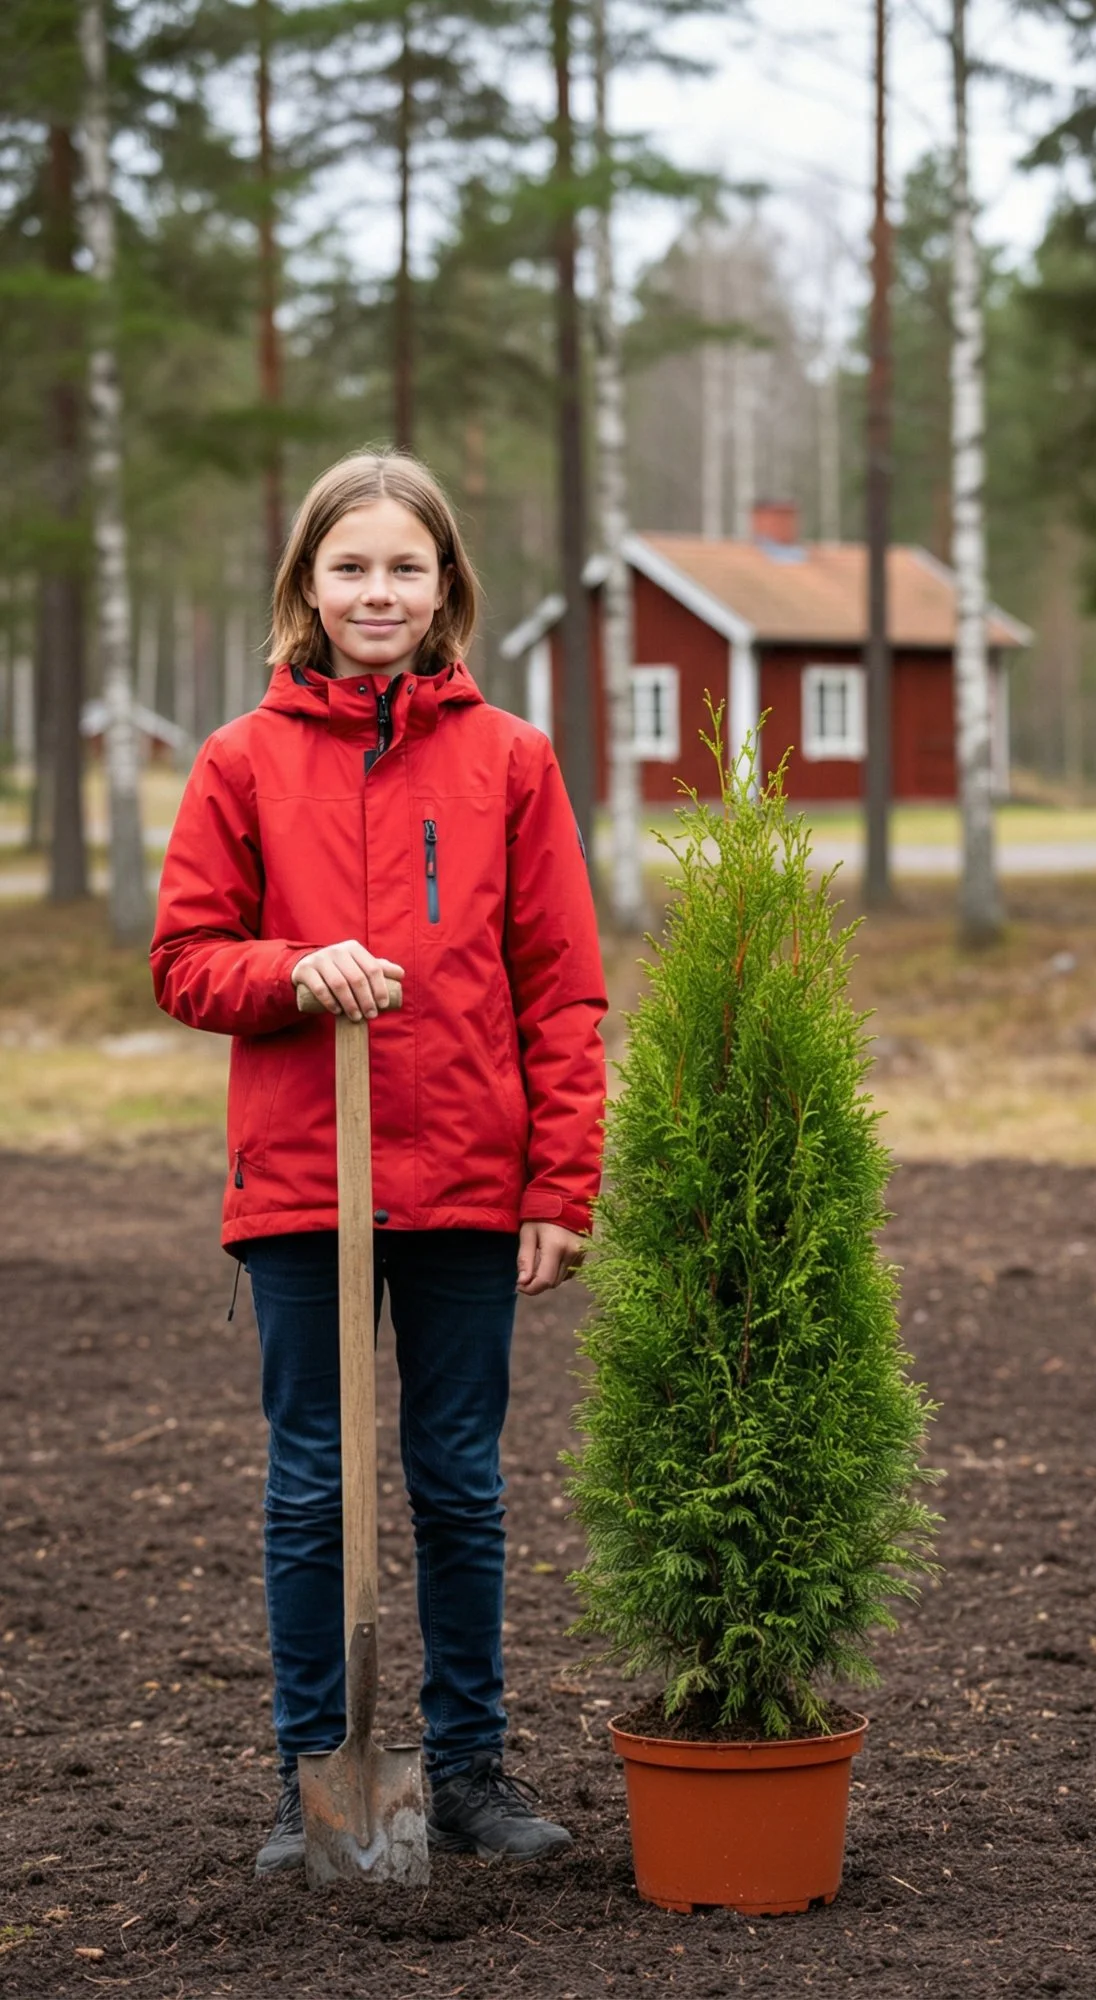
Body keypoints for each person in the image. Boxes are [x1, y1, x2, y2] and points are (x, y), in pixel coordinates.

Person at [151, 448, 607, 1877]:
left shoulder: (512, 761)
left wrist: (561, 1182)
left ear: (447, 587)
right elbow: (182, 960)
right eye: (350, 566)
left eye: (406, 566)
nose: (378, 591)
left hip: (471, 1177)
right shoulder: (240, 761)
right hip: (304, 1184)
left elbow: (563, 986)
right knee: (309, 1485)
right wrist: (297, 970)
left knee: (459, 1480)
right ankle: (314, 1777)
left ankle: (466, 1767)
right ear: (306, 585)